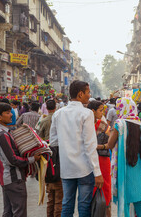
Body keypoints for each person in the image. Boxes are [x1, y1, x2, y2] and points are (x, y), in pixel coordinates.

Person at [49, 80, 103, 217]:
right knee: (84, 206)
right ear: (80, 94)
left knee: (67, 204)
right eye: (88, 92)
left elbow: (54, 142)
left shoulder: (58, 114)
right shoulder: (86, 114)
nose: (89, 95)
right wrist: (97, 172)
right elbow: (90, 145)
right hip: (84, 169)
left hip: (67, 168)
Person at [100, 97, 141, 217]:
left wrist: (99, 144)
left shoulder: (120, 124)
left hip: (124, 166)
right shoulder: (140, 123)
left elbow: (110, 144)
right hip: (138, 165)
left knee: (125, 199)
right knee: (140, 198)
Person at [0, 102, 41, 217]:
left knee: (9, 212)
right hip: (13, 178)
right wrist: (32, 159)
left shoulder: (3, 132)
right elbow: (12, 160)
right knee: (19, 212)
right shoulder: (2, 135)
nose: (11, 115)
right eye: (7, 113)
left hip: (6, 178)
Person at [87, 100, 112, 217]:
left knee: (105, 185)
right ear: (93, 111)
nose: (102, 113)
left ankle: (104, 211)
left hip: (102, 159)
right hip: (92, 160)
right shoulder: (86, 126)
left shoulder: (104, 126)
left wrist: (98, 146)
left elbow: (110, 145)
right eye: (100, 110)